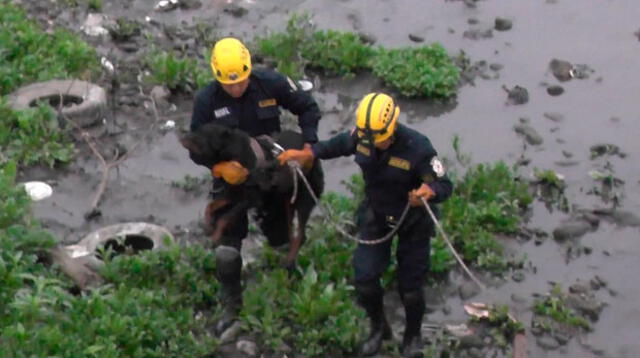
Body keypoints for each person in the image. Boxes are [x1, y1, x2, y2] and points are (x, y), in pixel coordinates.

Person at [277, 92, 453, 357]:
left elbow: (444, 184)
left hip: (413, 221)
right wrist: (310, 153)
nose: (372, 143)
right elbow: (338, 145)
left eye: (378, 140)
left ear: (391, 128)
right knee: (365, 279)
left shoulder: (418, 147)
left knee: (412, 288)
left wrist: (429, 192)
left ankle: (412, 336)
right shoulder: (363, 135)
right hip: (377, 214)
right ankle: (378, 328)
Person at [188, 37, 321, 335]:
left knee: (281, 236)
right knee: (227, 248)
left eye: (241, 82)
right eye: (229, 84)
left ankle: (290, 275)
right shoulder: (207, 101)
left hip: (270, 171)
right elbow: (196, 148)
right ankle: (232, 307)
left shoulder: (269, 83)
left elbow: (308, 108)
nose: (236, 88)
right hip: (232, 179)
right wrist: (218, 167)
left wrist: (308, 146)